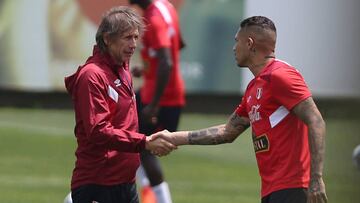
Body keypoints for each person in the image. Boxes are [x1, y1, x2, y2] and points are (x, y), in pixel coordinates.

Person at [152, 16, 328, 203]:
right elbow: (227, 132)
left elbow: (316, 120)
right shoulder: (254, 87)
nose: (234, 47)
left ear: (250, 43)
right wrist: (173, 137)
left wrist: (316, 178)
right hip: (272, 189)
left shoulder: (280, 75)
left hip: (294, 187)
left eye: (237, 41)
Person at [64, 6, 176, 203]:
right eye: (127, 38)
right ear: (107, 39)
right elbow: (98, 130)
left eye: (135, 37)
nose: (134, 44)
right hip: (99, 184)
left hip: (125, 183)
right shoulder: (92, 76)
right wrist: (144, 142)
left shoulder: (123, 69)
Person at [128, 1, 186, 203]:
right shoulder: (165, 6)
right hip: (163, 93)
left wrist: (153, 105)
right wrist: (147, 69)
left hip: (159, 99)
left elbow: (167, 62)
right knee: (131, 144)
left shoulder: (154, 18)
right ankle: (147, 195)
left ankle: (158, 199)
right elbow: (179, 44)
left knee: (141, 148)